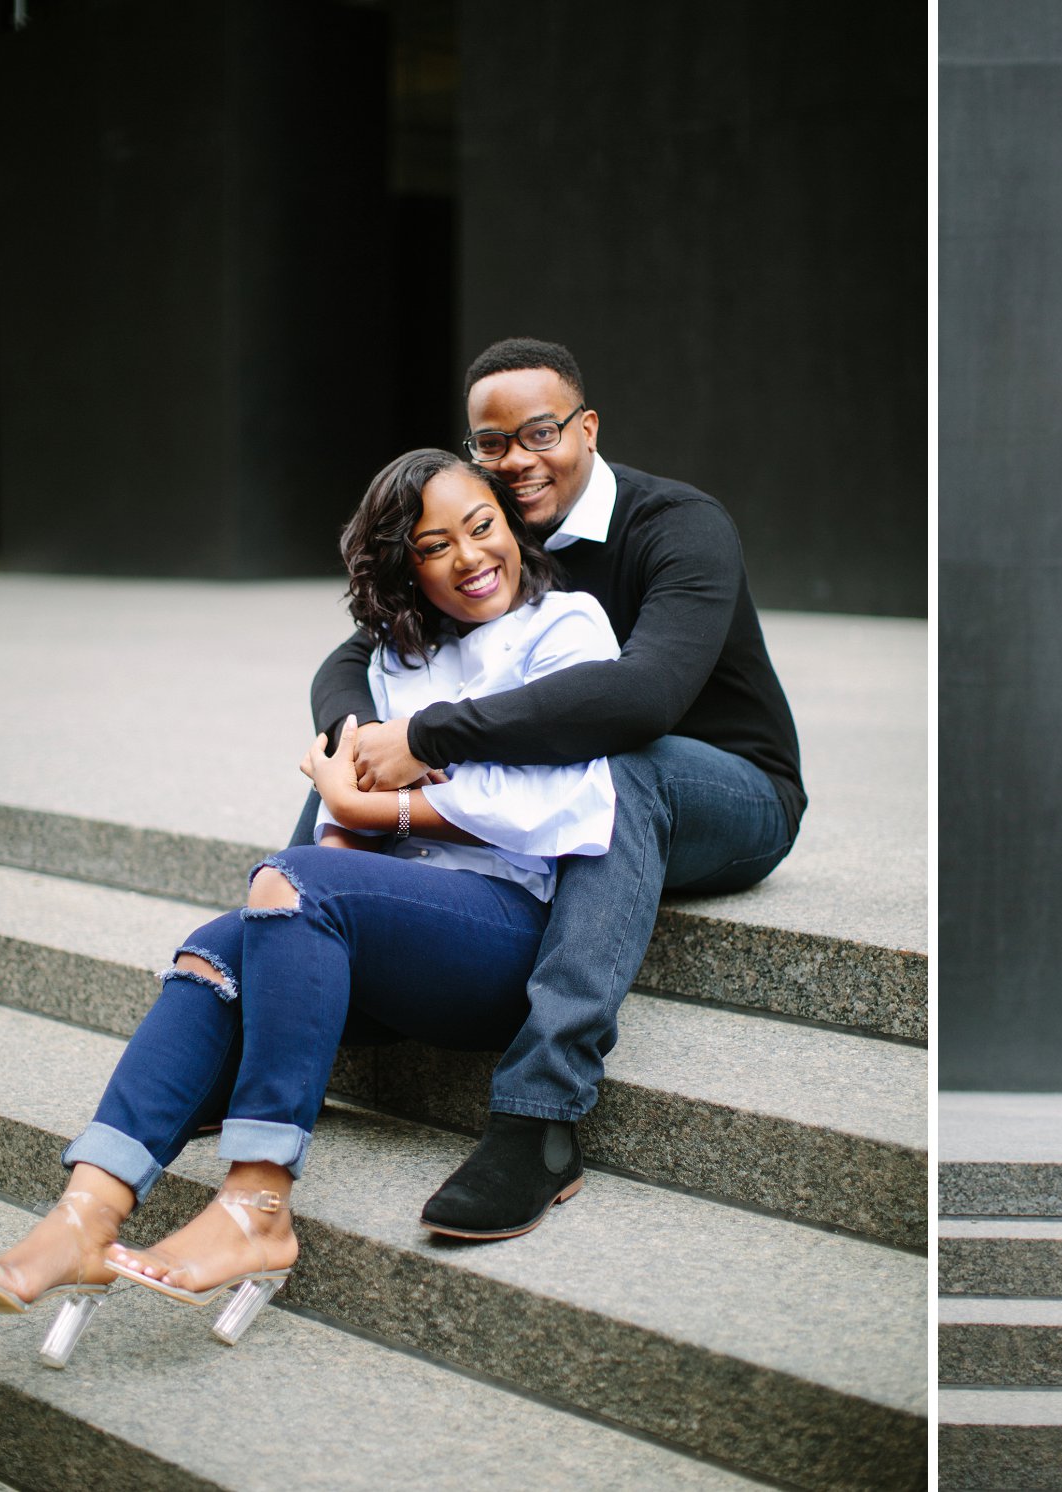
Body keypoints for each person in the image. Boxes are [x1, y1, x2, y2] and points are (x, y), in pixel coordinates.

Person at [0, 450, 622, 1363]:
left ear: (511, 523)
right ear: (404, 567)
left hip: (500, 933)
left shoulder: (569, 628)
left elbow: (567, 809)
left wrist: (369, 807)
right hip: (389, 925)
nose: (469, 556)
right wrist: (349, 831)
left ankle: (257, 1206)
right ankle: (85, 1214)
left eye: (482, 526)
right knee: (213, 949)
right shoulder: (397, 660)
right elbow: (351, 828)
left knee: (295, 883)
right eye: (434, 545)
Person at [305, 337, 804, 1240]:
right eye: (490, 444)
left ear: (588, 427)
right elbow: (356, 657)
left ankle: (540, 1118)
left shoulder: (681, 526)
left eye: (539, 432)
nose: (516, 461)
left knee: (617, 770)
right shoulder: (498, 524)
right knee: (354, 762)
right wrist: (363, 754)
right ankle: (320, 989)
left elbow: (642, 703)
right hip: (573, 768)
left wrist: (426, 738)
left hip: (724, 789)